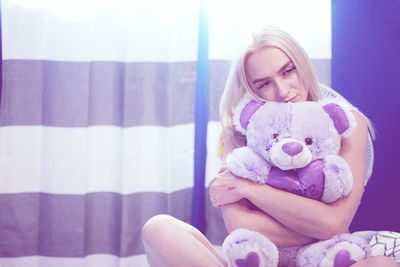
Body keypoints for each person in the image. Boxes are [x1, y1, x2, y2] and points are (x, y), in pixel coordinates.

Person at [141, 27, 399, 267]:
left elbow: (334, 224)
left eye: (287, 71)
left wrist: (248, 188)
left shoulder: (348, 124)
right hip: (259, 259)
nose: (282, 90)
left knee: (384, 265)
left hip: (325, 259)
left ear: (302, 65)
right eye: (263, 83)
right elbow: (241, 227)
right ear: (250, 90)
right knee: (158, 228)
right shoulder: (237, 135)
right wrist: (315, 222)